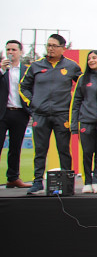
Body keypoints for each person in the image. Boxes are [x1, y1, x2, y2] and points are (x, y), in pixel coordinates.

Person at [19, 34, 82, 195]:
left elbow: (83, 85)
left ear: (63, 48)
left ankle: (67, 183)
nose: (50, 48)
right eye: (48, 45)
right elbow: (23, 87)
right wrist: (33, 102)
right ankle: (37, 181)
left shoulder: (72, 66)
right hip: (40, 114)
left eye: (54, 45)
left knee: (63, 150)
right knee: (40, 150)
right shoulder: (36, 66)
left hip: (62, 115)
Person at [69, 50, 97, 193]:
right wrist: (74, 124)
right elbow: (76, 102)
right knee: (87, 153)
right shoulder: (83, 78)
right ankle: (87, 182)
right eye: (89, 59)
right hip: (86, 122)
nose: (91, 60)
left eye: (94, 58)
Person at [0, 40, 31, 188]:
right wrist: (1, 70)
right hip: (2, 113)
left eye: (13, 49)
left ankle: (13, 177)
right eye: (8, 49)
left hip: (20, 113)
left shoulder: (26, 70)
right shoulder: (2, 70)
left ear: (20, 52)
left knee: (15, 147)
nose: (10, 52)